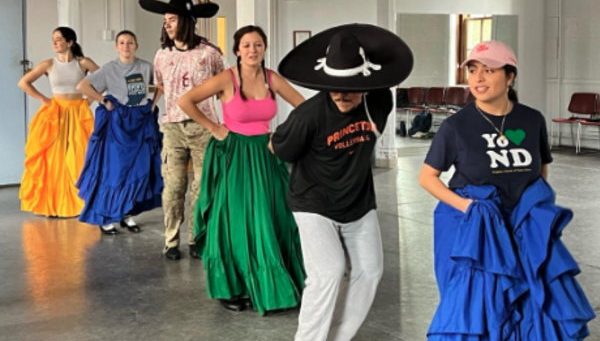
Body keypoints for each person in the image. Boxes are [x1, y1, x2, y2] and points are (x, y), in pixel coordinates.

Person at [419, 40, 595, 340]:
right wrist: (469, 208)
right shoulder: (456, 127)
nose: (478, 78)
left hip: (521, 226)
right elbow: (428, 177)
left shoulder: (531, 120)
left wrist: (534, 210)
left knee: (532, 299)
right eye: (473, 70)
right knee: (479, 306)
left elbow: (540, 170)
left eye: (489, 70)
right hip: (474, 228)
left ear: (510, 76)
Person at [270, 24, 414, 341]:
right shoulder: (308, 116)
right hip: (313, 204)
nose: (340, 94)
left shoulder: (378, 104)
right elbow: (276, 147)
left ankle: (338, 337)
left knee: (371, 271)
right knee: (328, 272)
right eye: (334, 87)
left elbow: (386, 74)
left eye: (348, 87)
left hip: (357, 203)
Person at [178, 25, 305, 314]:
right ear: (237, 50)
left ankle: (269, 282)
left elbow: (303, 107)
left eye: (258, 45)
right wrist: (214, 127)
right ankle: (230, 287)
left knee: (275, 217)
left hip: (265, 154)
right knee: (234, 220)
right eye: (246, 45)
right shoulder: (227, 78)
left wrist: (282, 134)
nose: (252, 50)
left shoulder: (272, 78)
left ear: (264, 48)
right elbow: (185, 101)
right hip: (233, 154)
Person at [139, 0, 224, 259]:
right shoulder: (162, 54)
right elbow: (162, 83)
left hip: (204, 128)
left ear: (186, 21)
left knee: (201, 186)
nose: (167, 24)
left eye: (172, 19)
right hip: (173, 128)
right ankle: (171, 240)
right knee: (174, 186)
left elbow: (223, 85)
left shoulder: (210, 53)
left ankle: (196, 238)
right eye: (165, 20)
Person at [76, 30, 162, 235]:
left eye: (130, 42)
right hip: (118, 126)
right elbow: (83, 85)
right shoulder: (109, 69)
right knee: (115, 171)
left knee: (138, 170)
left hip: (140, 123)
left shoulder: (145, 66)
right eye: (122, 43)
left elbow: (161, 84)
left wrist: (152, 105)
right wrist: (103, 100)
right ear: (116, 46)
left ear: (136, 46)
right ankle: (105, 217)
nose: (126, 46)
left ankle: (126, 213)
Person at [18, 27, 98, 217]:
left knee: (80, 155)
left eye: (59, 39)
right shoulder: (48, 64)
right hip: (55, 113)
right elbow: (23, 83)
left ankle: (81, 201)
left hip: (78, 113)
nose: (54, 42)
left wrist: (90, 99)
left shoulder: (83, 63)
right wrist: (44, 100)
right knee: (55, 158)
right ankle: (54, 204)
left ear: (70, 42)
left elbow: (105, 80)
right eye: (53, 39)